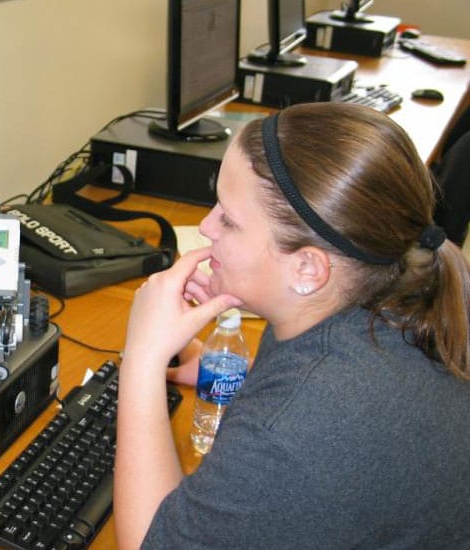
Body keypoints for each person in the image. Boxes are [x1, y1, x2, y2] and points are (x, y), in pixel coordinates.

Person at [114, 102, 470, 549]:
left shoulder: (298, 428)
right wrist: (239, 374)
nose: (206, 226)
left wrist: (142, 358)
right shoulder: (392, 294)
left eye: (228, 218)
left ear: (307, 269)